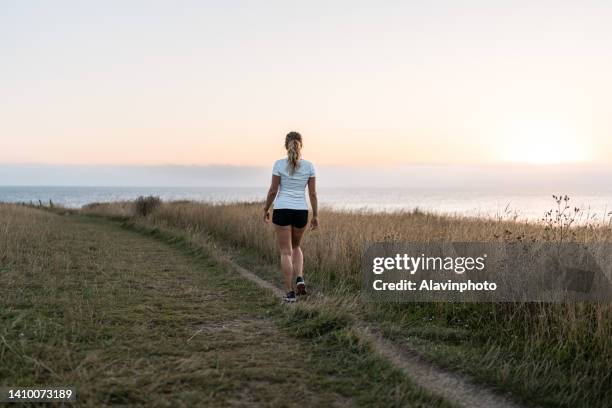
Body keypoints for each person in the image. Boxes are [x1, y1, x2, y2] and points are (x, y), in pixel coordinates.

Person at [263, 131, 318, 303]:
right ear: (301, 145)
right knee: (296, 247)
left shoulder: (278, 164)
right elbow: (313, 193)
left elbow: (273, 190)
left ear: (286, 145)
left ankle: (290, 293)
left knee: (285, 251)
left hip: (282, 210)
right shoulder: (309, 166)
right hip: (301, 211)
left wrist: (265, 208)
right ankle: (300, 277)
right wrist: (315, 215)